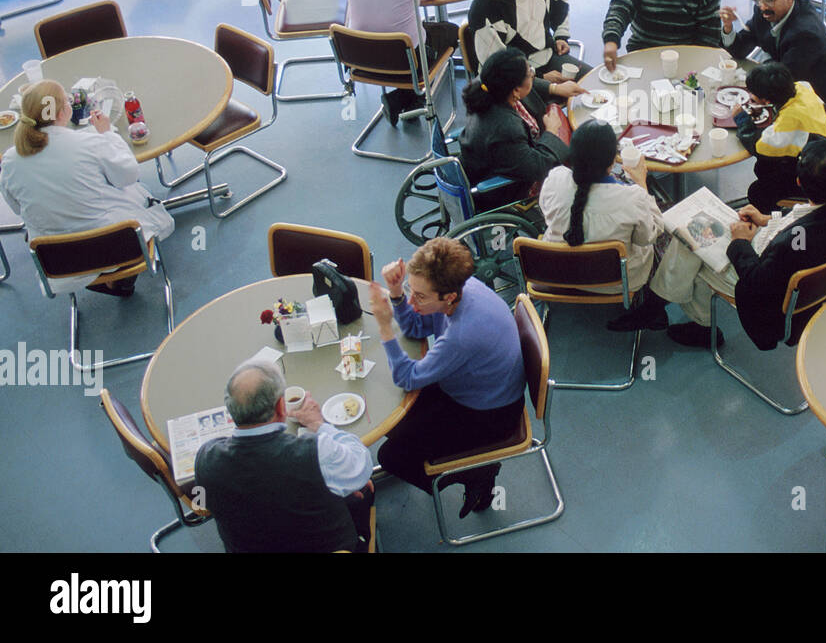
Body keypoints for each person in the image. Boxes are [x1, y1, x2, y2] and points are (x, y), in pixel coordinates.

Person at [645, 139, 826, 348]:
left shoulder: (787, 247)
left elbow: (755, 283)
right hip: (824, 280)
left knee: (689, 242)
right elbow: (807, 218)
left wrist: (741, 242)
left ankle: (686, 319)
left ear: (799, 183)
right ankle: (661, 303)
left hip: (769, 299)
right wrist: (767, 220)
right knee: (694, 243)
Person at [369, 238, 525, 517]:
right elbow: (417, 327)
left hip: (488, 415)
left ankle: (476, 474)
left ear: (449, 296)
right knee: (391, 421)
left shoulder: (462, 334)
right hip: (471, 388)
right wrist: (395, 293)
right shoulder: (463, 287)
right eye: (410, 290)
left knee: (391, 457)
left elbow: (406, 377)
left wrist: (384, 328)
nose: (413, 302)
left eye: (421, 296)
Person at [0, 80, 174, 296]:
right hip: (115, 246)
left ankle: (109, 281)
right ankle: (119, 277)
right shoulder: (90, 143)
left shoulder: (9, 161)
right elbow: (128, 176)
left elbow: (17, 209)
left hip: (60, 260)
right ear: (64, 111)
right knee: (137, 195)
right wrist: (107, 133)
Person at [194, 360, 375, 553]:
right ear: (282, 407)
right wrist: (319, 424)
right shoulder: (316, 453)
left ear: (231, 413)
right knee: (363, 489)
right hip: (328, 546)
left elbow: (205, 504)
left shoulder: (206, 459)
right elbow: (361, 464)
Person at [538, 120, 665, 329]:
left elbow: (546, 214)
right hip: (616, 284)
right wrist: (642, 185)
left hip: (558, 273)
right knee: (665, 230)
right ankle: (654, 306)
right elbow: (649, 236)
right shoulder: (633, 198)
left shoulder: (554, 178)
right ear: (611, 162)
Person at [720, 0, 826, 132]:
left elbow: (778, 85)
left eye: (769, 0)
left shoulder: (806, 34)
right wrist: (728, 27)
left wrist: (742, 104)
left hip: (824, 113)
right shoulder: (766, 9)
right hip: (791, 91)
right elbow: (741, 49)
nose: (762, 7)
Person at [458, 47, 579, 209]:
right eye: (530, 73)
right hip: (504, 190)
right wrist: (551, 130)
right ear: (515, 90)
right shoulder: (505, 129)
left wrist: (555, 88)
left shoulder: (487, 85)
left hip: (485, 161)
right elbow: (539, 167)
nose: (533, 75)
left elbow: (527, 84)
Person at [733, 60, 826, 213]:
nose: (750, 96)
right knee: (763, 168)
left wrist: (742, 119)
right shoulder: (801, 86)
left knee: (757, 192)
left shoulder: (791, 121)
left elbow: (759, 146)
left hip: (818, 182)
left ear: (767, 100)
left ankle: (772, 223)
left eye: (753, 94)